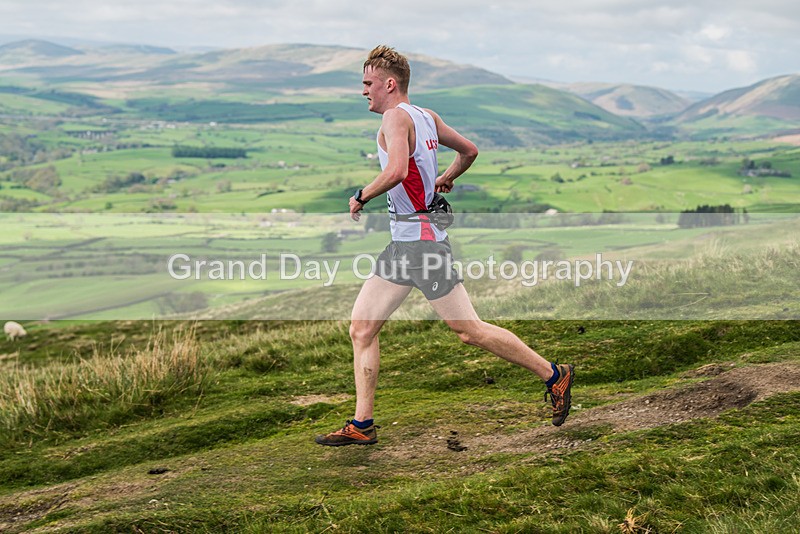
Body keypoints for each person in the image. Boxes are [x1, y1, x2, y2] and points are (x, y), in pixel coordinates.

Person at [315, 45, 574, 446]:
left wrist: (361, 195)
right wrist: (445, 177)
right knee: (362, 329)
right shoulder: (426, 116)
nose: (363, 91)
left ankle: (554, 375)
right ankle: (362, 424)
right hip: (405, 244)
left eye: (367, 84)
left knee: (468, 330)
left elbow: (398, 170)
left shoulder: (396, 117)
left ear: (388, 83)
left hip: (422, 245)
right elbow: (468, 150)